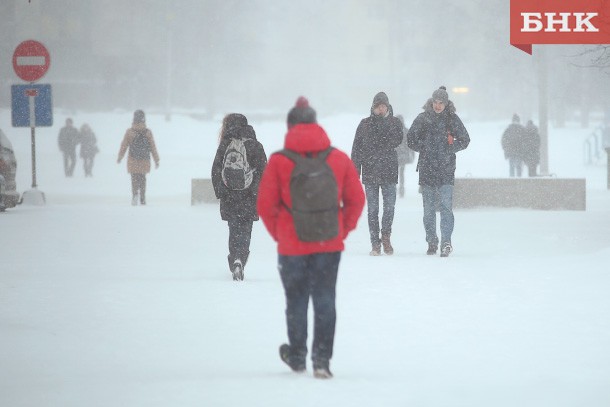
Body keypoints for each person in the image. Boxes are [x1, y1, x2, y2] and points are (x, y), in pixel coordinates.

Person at [257, 96, 365, 379]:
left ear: (290, 125)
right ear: (316, 124)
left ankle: (296, 356)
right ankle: (321, 361)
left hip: (292, 246)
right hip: (328, 243)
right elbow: (356, 199)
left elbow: (265, 206)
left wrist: (281, 233)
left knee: (295, 300)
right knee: (325, 299)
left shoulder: (279, 161)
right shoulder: (338, 158)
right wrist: (342, 229)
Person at [406, 86, 470, 257]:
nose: (438, 106)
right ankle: (432, 240)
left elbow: (465, 139)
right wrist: (424, 148)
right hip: (427, 169)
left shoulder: (452, 119)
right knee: (428, 210)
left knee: (446, 207)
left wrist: (450, 148)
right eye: (436, 102)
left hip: (446, 170)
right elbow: (410, 139)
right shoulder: (423, 119)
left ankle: (446, 242)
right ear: (431, 102)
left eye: (441, 103)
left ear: (446, 103)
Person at [211, 113, 267, 281]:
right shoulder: (255, 145)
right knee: (245, 230)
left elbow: (215, 170)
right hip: (250, 196)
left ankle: (234, 258)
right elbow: (265, 172)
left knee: (234, 229)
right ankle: (240, 259)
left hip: (230, 196)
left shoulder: (225, 145)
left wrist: (220, 192)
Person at [351, 92, 403, 256]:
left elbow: (397, 140)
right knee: (372, 210)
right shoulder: (365, 124)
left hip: (389, 171)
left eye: (383, 106)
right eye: (378, 106)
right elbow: (357, 148)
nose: (380, 109)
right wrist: (355, 170)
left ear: (387, 107)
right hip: (370, 171)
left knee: (389, 208)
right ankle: (375, 243)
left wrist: (384, 123)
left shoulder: (395, 123)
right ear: (373, 107)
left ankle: (386, 236)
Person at [117, 110, 160, 205]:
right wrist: (156, 160)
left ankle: (135, 195)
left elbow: (124, 145)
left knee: (134, 178)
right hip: (144, 159)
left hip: (133, 159)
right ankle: (143, 197)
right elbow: (153, 147)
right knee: (143, 178)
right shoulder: (148, 132)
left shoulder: (129, 132)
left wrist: (120, 156)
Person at [395, 114, 415, 198]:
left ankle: (396, 188)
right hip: (403, 156)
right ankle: (401, 188)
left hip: (395, 156)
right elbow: (411, 145)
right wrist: (411, 155)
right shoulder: (406, 131)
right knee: (401, 173)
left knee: (394, 173)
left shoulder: (393, 130)